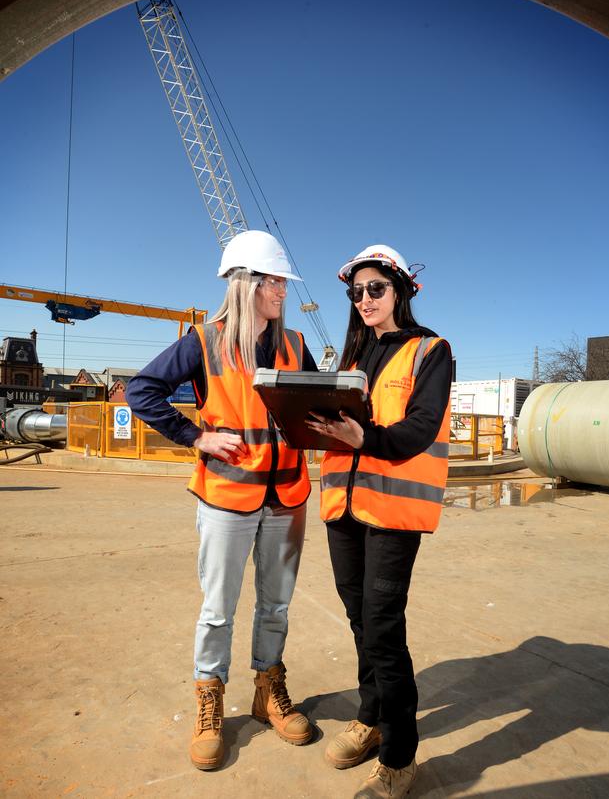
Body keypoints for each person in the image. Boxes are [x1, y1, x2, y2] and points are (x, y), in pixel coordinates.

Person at [126, 230, 318, 771]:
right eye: (276, 281)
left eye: (283, 281)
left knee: (276, 604)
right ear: (248, 284)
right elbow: (142, 391)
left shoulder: (295, 345)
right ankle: (210, 700)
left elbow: (308, 410)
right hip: (228, 496)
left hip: (286, 498)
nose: (284, 291)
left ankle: (267, 689)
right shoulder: (203, 341)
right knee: (218, 610)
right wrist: (197, 437)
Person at [308, 244, 452, 799]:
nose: (364, 299)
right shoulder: (350, 359)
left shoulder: (429, 350)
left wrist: (363, 438)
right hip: (342, 510)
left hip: (392, 513)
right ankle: (370, 717)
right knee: (361, 623)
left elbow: (420, 427)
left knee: (385, 632)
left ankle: (399, 755)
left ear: (402, 290)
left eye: (375, 288)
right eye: (356, 292)